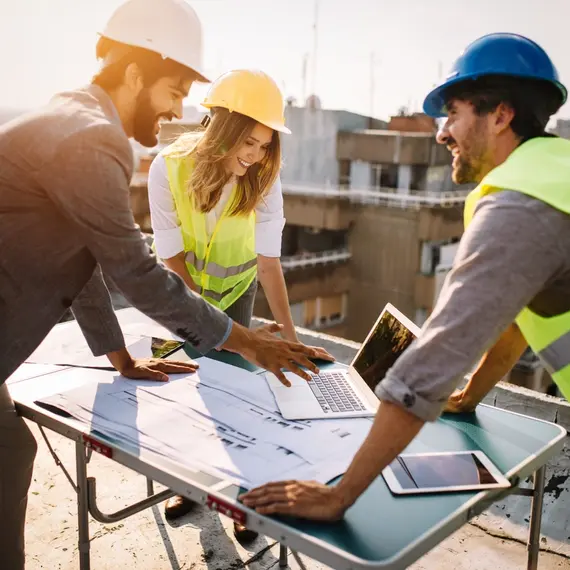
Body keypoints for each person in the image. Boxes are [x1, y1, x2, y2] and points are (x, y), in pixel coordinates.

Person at [0, 0, 332, 567]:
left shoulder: (77, 121)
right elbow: (138, 273)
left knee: (9, 452)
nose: (181, 108)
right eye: (175, 90)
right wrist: (249, 341)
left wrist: (120, 359)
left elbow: (81, 263)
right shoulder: (91, 138)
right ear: (134, 74)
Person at [241, 32, 570, 520]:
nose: (441, 134)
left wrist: (339, 494)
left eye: (453, 114)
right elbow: (520, 320)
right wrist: (469, 397)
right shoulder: (555, 175)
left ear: (500, 115)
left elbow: (438, 354)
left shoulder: (520, 204)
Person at [148, 69, 298, 537]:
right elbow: (171, 257)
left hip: (236, 293)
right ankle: (192, 484)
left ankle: (246, 499)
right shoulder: (166, 168)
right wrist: (205, 327)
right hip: (180, 290)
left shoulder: (264, 178)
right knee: (190, 389)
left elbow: (269, 264)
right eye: (248, 142)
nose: (254, 156)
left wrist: (289, 340)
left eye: (264, 145)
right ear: (222, 127)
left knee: (239, 392)